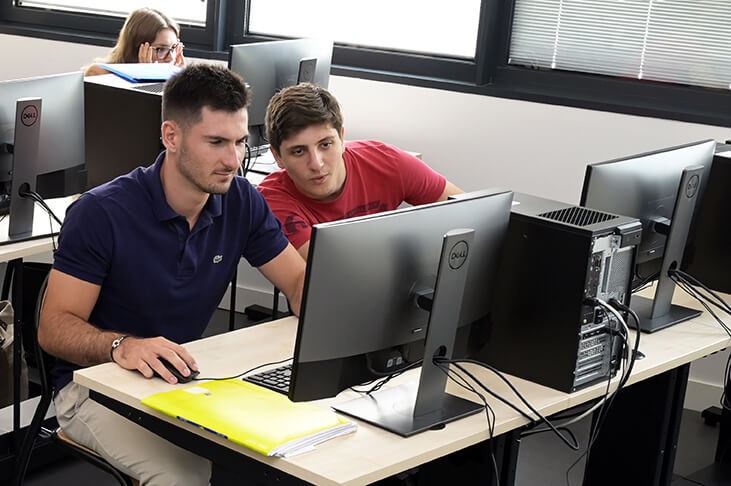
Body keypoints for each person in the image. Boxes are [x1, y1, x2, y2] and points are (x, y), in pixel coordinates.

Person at [38, 64, 306, 486]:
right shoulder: (100, 213)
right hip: (91, 387)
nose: (233, 160)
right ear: (171, 137)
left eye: (239, 142)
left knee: (290, 456)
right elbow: (53, 330)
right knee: (187, 480)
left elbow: (297, 283)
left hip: (185, 378)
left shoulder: (241, 199)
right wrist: (121, 346)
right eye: (216, 142)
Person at [257, 83, 463, 260]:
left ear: (342, 139)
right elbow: (331, 269)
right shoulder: (273, 200)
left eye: (326, 145)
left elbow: (466, 211)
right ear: (277, 157)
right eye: (299, 151)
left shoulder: (387, 161)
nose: (317, 164)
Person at [84, 7, 185, 76]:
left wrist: (180, 81)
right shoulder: (99, 73)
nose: (171, 57)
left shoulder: (171, 78)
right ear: (137, 48)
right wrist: (146, 76)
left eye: (174, 48)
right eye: (161, 49)